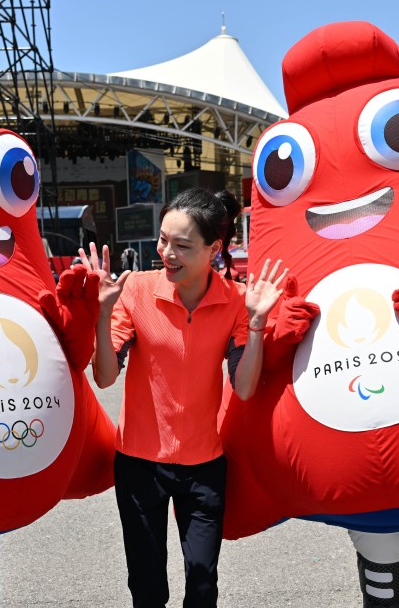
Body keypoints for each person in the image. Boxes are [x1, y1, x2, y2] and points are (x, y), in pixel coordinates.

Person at [79, 188, 287, 608]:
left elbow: (245, 387)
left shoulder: (235, 301)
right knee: (147, 584)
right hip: (139, 465)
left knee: (203, 582)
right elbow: (104, 377)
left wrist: (258, 323)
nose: (166, 253)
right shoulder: (135, 290)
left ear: (213, 249)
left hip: (204, 467)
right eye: (163, 240)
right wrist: (101, 314)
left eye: (182, 246)